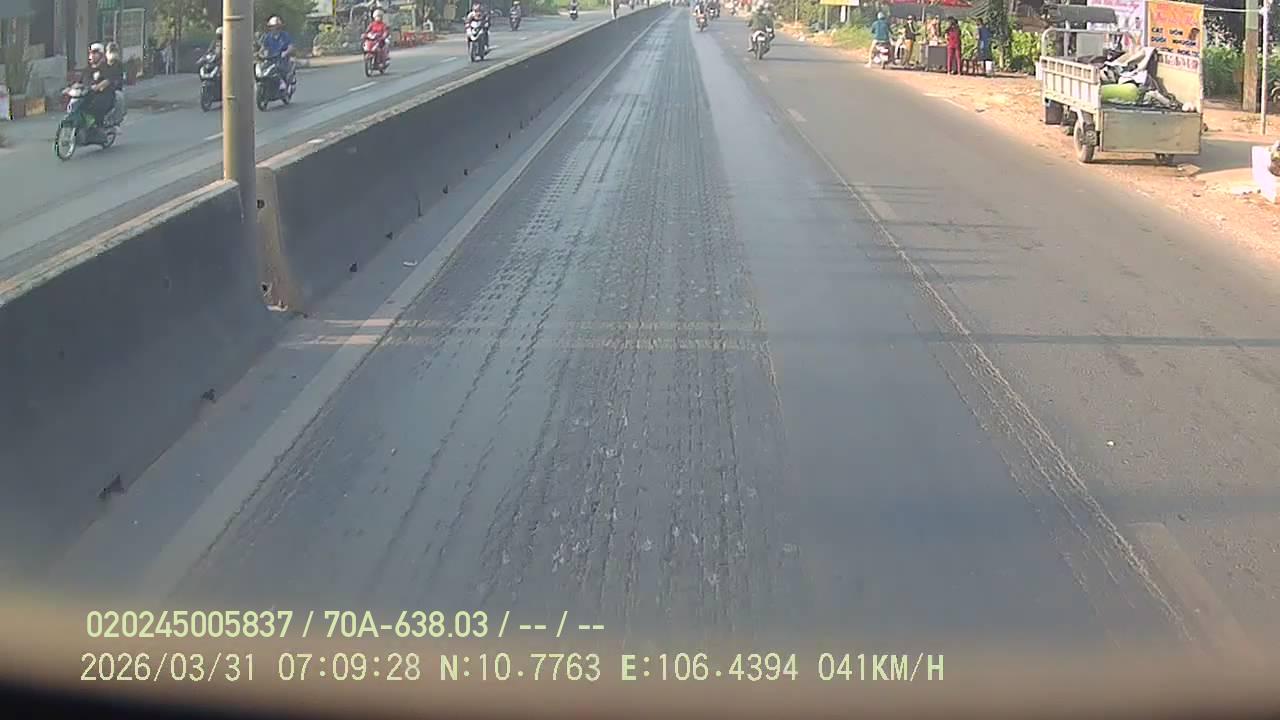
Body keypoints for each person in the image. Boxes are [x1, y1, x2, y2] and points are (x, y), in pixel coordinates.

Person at [80, 42, 124, 131]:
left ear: (101, 55)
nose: (92, 55)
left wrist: (98, 86)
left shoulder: (107, 68)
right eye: (90, 53)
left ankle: (99, 127)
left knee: (97, 105)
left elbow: (108, 80)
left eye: (95, 53)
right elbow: (80, 82)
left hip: (104, 94)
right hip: (89, 94)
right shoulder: (87, 69)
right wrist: (69, 88)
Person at [259, 15, 295, 90]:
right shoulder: (268, 37)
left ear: (279, 27)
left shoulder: (285, 35)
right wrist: (261, 54)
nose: (273, 29)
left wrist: (285, 52)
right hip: (271, 59)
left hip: (282, 59)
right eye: (271, 27)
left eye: (275, 27)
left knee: (279, 68)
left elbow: (291, 46)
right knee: (263, 69)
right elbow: (264, 48)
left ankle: (282, 82)